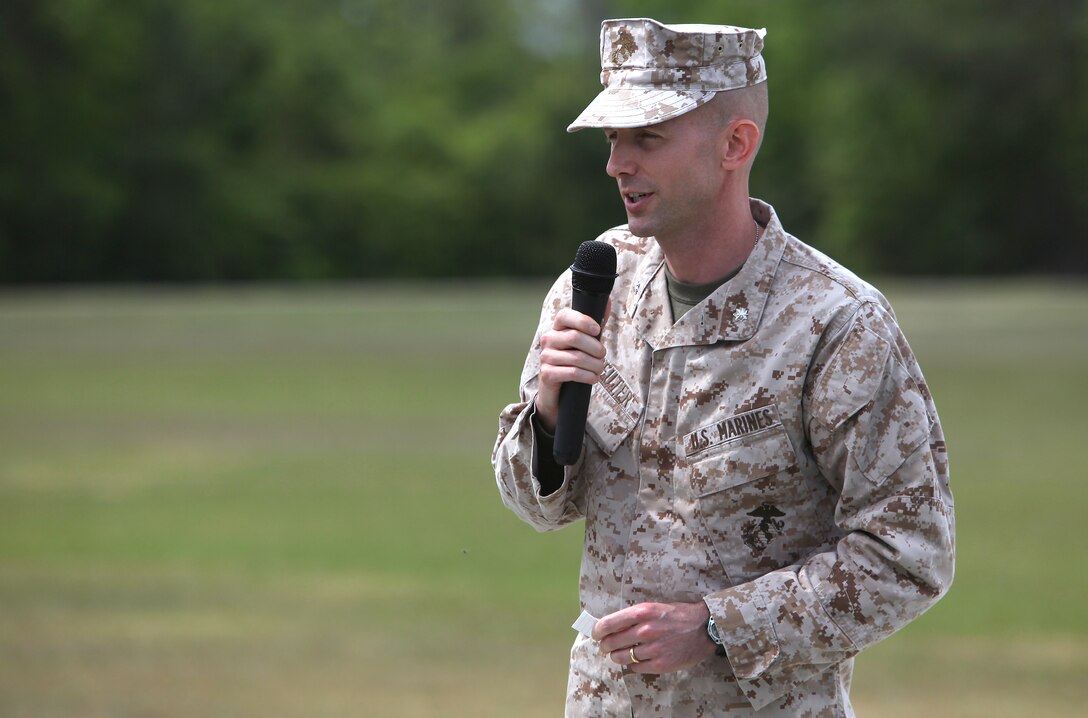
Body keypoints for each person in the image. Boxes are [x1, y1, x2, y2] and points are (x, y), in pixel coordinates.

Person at [492, 17, 955, 717]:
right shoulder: (594, 288)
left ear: (736, 144)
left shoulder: (835, 322)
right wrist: (550, 414)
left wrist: (715, 626)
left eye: (647, 138)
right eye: (613, 139)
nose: (618, 163)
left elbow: (910, 553)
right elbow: (536, 507)